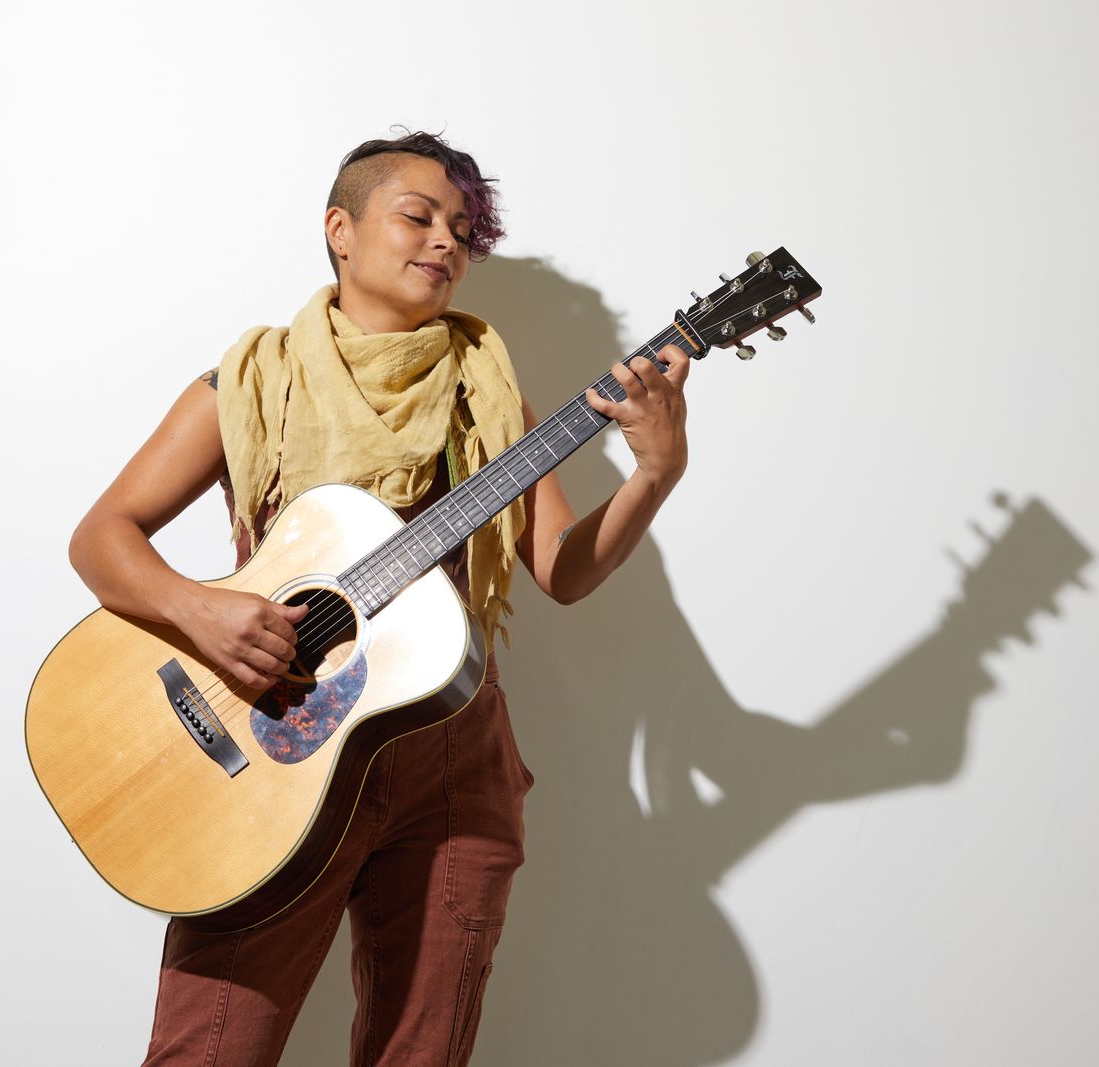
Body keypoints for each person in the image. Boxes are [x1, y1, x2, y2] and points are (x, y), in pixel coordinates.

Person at [68, 130, 691, 1066]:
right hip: (273, 752)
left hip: (451, 771)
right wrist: (205, 612)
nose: (446, 241)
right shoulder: (249, 384)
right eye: (419, 216)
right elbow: (102, 536)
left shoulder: (491, 401)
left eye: (463, 231)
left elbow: (562, 570)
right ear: (341, 230)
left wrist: (654, 472)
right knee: (209, 1050)